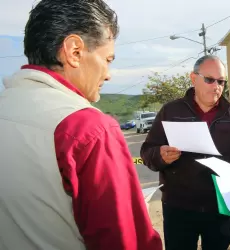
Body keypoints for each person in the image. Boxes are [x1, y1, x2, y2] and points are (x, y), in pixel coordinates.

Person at [0, 1, 162, 249]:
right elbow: (123, 242)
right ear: (74, 51)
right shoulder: (89, 128)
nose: (108, 74)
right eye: (107, 59)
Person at [140, 55, 230, 250]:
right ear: (194, 78)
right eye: (209, 79)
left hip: (218, 207)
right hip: (178, 207)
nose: (216, 86)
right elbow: (147, 152)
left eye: (221, 81)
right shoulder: (171, 111)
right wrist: (160, 155)